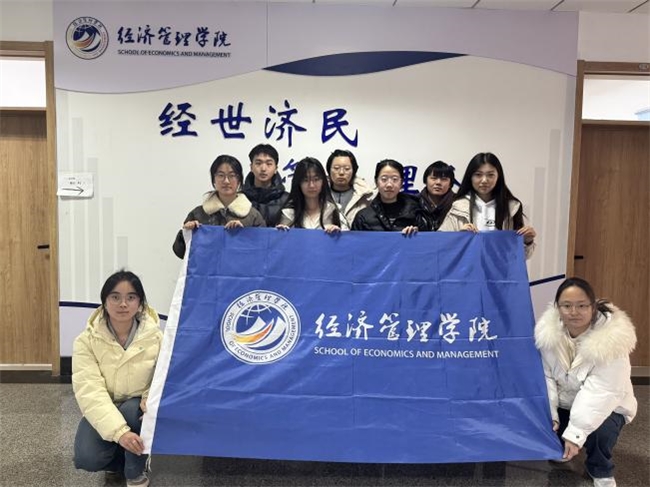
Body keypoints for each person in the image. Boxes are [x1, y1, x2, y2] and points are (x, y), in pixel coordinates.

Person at [535, 277, 637, 487]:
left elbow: (601, 392)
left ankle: (600, 468)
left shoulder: (612, 341)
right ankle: (565, 443)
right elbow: (546, 378)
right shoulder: (547, 336)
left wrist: (575, 433)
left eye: (581, 306)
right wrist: (551, 415)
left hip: (608, 405)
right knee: (545, 422)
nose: (574, 312)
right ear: (557, 308)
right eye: (567, 306)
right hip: (566, 402)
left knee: (601, 432)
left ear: (593, 307)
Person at [72, 270, 163, 487]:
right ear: (104, 302)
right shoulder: (85, 341)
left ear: (140, 303)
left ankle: (135, 471)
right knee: (87, 458)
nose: (123, 304)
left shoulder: (157, 338)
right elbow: (89, 390)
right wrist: (120, 433)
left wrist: (149, 397)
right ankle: (115, 463)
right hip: (105, 404)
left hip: (137, 407)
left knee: (134, 411)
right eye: (115, 297)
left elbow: (162, 376)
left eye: (131, 297)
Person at [439, 152, 536, 258]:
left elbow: (520, 258)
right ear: (470, 177)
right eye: (478, 175)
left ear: (498, 177)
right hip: (467, 267)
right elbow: (441, 246)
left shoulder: (512, 207)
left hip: (500, 267)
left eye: (490, 175)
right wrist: (459, 236)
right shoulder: (457, 206)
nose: (484, 180)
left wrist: (527, 242)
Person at [173, 154, 266, 258]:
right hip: (207, 268)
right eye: (221, 175)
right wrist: (186, 233)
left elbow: (264, 250)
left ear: (239, 180)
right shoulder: (199, 214)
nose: (226, 181)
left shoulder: (252, 215)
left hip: (241, 267)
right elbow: (181, 252)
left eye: (232, 175)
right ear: (214, 179)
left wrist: (243, 234)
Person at [351, 159, 430, 235]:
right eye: (384, 179)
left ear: (401, 183)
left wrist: (417, 235)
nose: (389, 184)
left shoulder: (415, 212)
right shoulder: (363, 217)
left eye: (395, 179)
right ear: (376, 182)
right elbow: (355, 242)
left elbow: (427, 240)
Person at [278, 157, 347, 233]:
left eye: (316, 179)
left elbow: (348, 238)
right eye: (306, 180)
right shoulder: (289, 214)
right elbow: (278, 239)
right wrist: (280, 234)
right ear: (298, 183)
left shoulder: (334, 210)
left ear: (323, 181)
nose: (311, 185)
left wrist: (338, 235)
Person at [242, 143, 290, 227]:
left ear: (276, 169)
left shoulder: (286, 199)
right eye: (258, 163)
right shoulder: (240, 197)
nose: (263, 169)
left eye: (269, 164)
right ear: (251, 167)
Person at [326, 149, 374, 225]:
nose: (341, 172)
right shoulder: (319, 194)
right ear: (329, 170)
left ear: (354, 171)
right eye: (336, 168)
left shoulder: (366, 196)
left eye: (347, 169)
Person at [418, 160, 455, 231]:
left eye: (444, 179)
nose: (438, 182)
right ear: (425, 180)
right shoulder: (414, 202)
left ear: (450, 184)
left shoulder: (458, 203)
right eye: (434, 178)